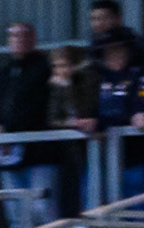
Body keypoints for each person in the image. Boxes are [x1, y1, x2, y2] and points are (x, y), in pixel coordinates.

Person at [0, 23, 56, 228]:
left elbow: (36, 106)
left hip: (40, 154)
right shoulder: (2, 74)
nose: (18, 40)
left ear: (33, 39)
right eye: (13, 36)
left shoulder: (44, 70)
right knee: (15, 216)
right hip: (7, 155)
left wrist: (10, 130)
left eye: (23, 36)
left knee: (42, 211)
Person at [94, 32, 144, 198]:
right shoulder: (97, 78)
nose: (114, 55)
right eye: (109, 51)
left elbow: (143, 106)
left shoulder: (142, 76)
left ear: (129, 51)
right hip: (101, 158)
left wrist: (108, 121)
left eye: (119, 50)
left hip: (135, 158)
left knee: (136, 205)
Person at [47, 47, 100, 217]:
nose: (60, 71)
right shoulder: (56, 87)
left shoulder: (86, 82)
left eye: (64, 65)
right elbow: (52, 118)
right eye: (56, 66)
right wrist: (68, 123)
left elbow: (82, 109)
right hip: (65, 151)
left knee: (88, 193)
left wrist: (67, 87)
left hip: (87, 148)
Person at [87, 1, 144, 67]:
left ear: (118, 19)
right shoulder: (95, 44)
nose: (98, 24)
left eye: (104, 18)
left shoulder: (131, 42)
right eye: (94, 19)